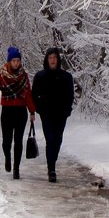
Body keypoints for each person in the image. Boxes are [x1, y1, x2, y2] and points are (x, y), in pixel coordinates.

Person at [0, 46, 36, 179]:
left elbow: (28, 94)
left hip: (20, 112)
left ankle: (16, 169)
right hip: (7, 111)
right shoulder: (1, 74)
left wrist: (32, 111)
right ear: (9, 61)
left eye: (18, 60)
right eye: (14, 60)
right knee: (7, 141)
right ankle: (7, 157)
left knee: (18, 141)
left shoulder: (24, 76)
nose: (16, 63)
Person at [31, 47, 74, 183]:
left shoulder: (66, 77)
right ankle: (52, 169)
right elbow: (34, 94)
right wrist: (38, 108)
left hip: (61, 114)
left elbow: (70, 95)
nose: (53, 60)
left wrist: (67, 110)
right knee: (50, 139)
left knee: (58, 140)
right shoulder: (40, 76)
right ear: (46, 60)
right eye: (50, 58)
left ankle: (52, 163)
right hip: (46, 113)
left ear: (58, 59)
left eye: (55, 57)